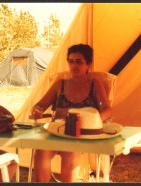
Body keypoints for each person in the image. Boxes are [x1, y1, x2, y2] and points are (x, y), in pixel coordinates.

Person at [31, 44, 112, 182]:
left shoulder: (94, 84)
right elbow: (39, 106)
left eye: (79, 61)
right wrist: (37, 111)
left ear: (89, 65)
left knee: (70, 151)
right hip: (56, 133)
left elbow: (107, 109)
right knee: (41, 151)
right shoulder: (60, 84)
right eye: (71, 61)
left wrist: (95, 121)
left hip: (79, 135)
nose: (74, 65)